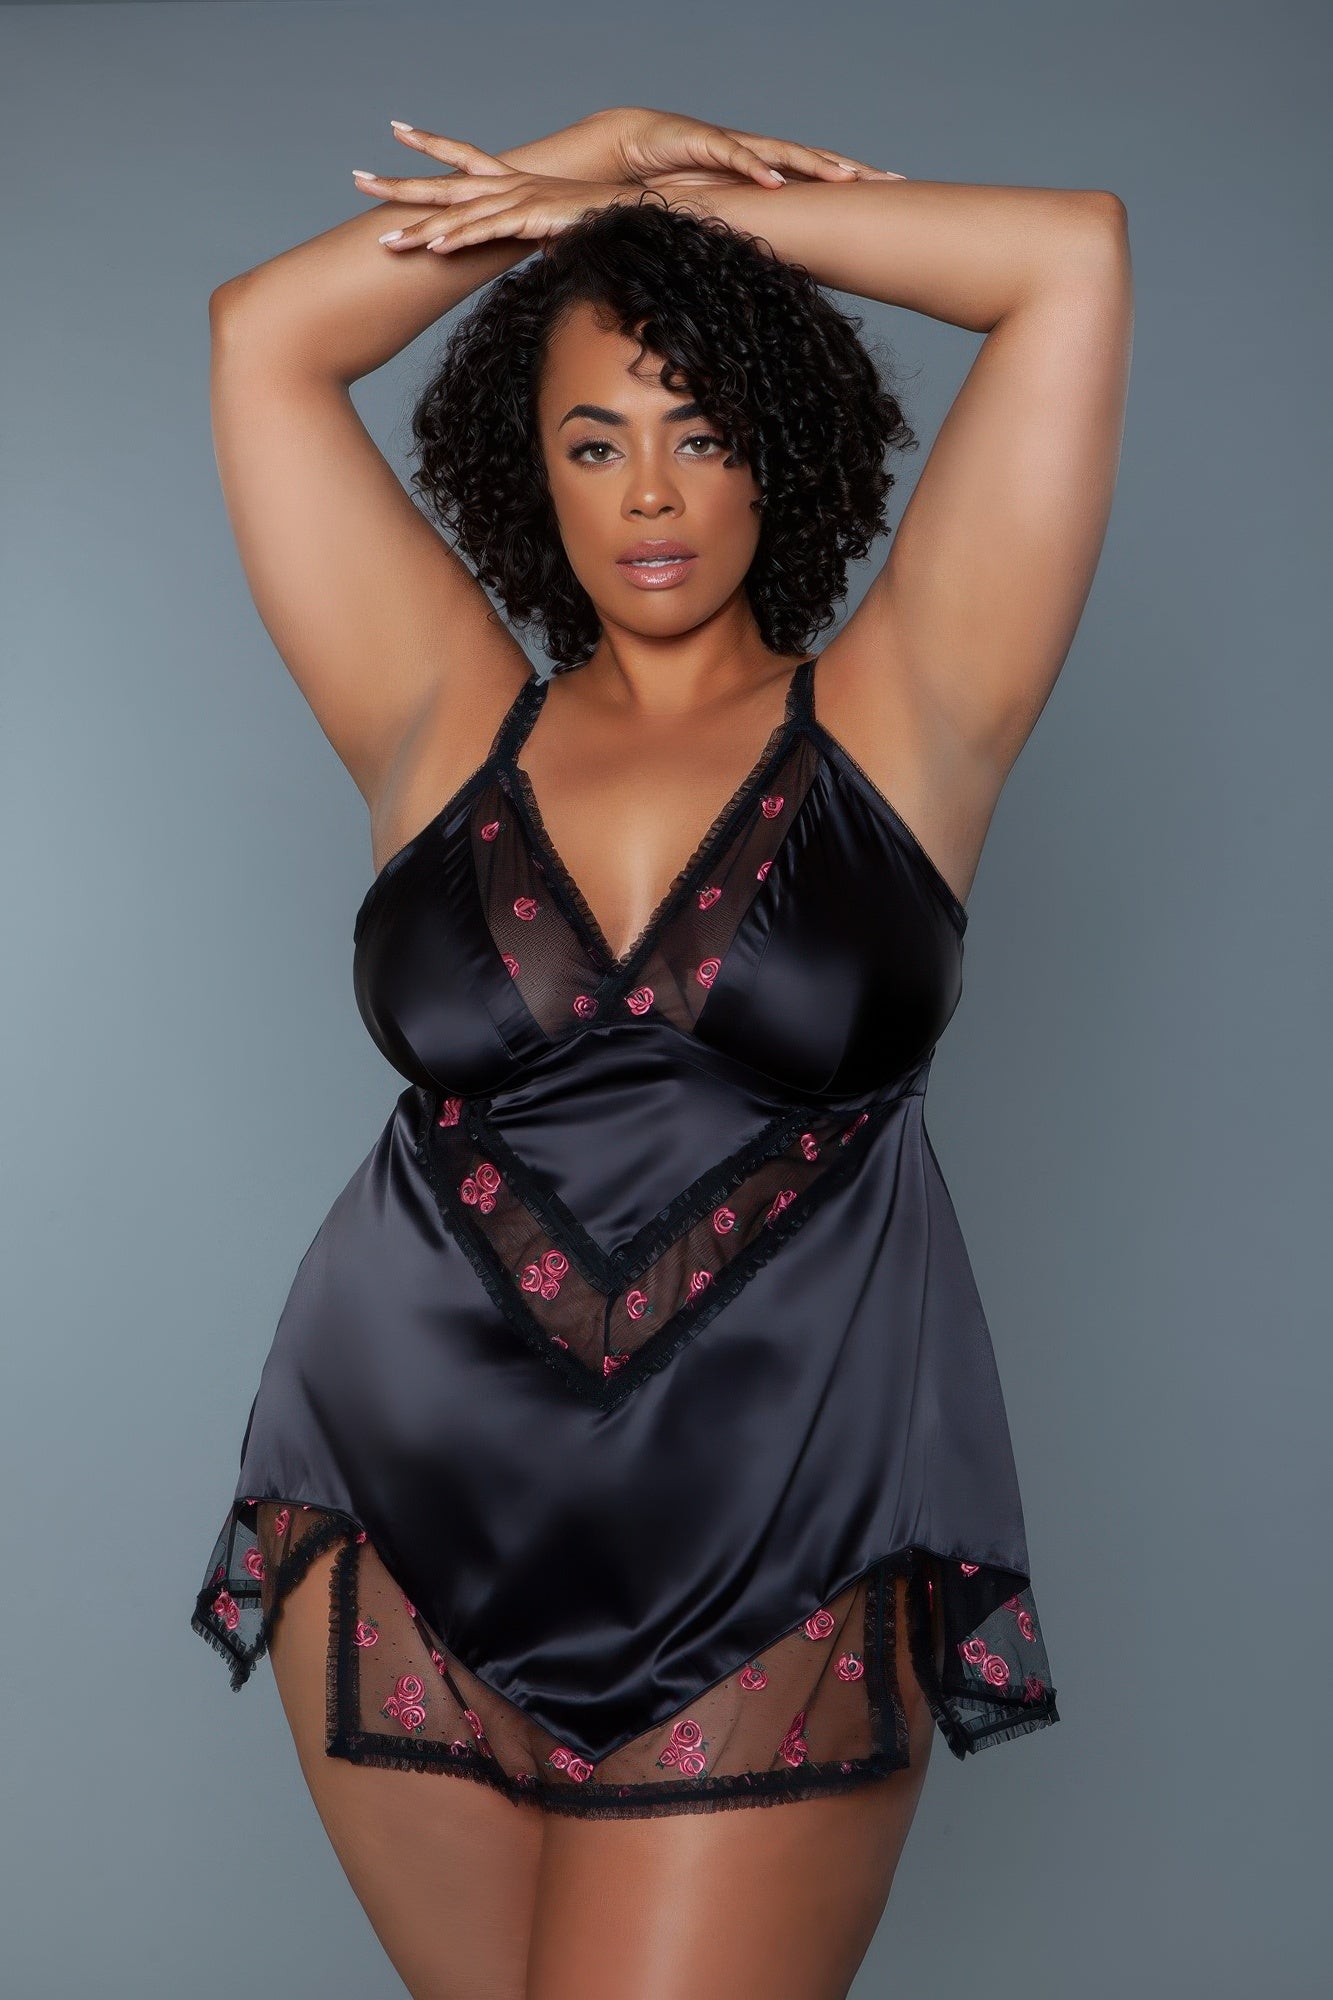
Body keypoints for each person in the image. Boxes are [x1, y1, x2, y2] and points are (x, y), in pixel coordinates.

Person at [191, 103, 1132, 2000]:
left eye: (701, 431)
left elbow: (1068, 262)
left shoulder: (908, 708)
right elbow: (262, 337)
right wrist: (587, 166)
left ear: (775, 444)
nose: (649, 496)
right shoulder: (436, 711)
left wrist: (653, 200)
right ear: (526, 466)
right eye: (594, 438)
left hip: (779, 1540)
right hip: (397, 1495)